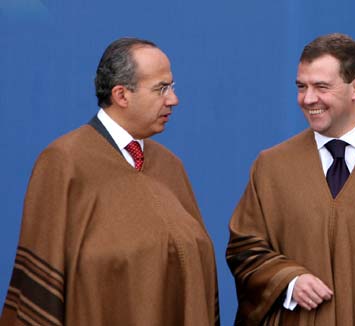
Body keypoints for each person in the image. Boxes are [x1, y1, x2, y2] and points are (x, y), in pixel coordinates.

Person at [0, 37, 219, 326]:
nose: (173, 99)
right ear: (121, 95)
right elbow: (42, 285)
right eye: (161, 88)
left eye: (172, 87)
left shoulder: (170, 166)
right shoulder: (63, 162)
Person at [226, 33, 355, 325]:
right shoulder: (271, 167)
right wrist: (289, 281)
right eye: (301, 87)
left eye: (321, 87)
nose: (308, 99)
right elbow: (243, 251)